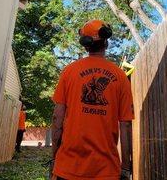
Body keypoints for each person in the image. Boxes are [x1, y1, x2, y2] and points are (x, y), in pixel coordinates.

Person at [51, 19, 134, 180]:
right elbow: (125, 124)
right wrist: (125, 167)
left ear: (85, 45)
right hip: (106, 170)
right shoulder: (120, 77)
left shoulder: (69, 72)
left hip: (68, 168)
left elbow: (57, 118)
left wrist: (55, 157)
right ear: (106, 42)